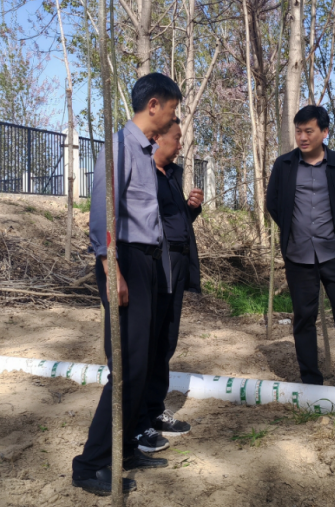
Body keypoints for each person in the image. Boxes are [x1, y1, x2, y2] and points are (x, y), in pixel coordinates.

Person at [71, 73, 183, 496]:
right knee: (127, 367)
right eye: (171, 109)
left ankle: (126, 447)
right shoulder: (119, 148)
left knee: (146, 360)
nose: (172, 118)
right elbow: (103, 214)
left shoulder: (146, 151)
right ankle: (90, 464)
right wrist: (111, 268)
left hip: (147, 262)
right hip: (126, 262)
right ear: (153, 105)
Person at [265, 105, 335, 390]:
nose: (302, 137)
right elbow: (273, 204)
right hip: (298, 255)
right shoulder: (284, 165)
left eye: (309, 131)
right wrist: (295, 230)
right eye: (298, 131)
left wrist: (334, 229)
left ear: (324, 132)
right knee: (304, 318)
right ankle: (311, 382)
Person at [134, 118, 204, 453]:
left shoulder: (172, 174)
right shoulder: (141, 173)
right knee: (149, 343)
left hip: (177, 264)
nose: (179, 146)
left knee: (166, 340)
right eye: (176, 139)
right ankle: (139, 421)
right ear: (157, 138)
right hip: (154, 265)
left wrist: (191, 209)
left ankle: (155, 409)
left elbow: (176, 221)